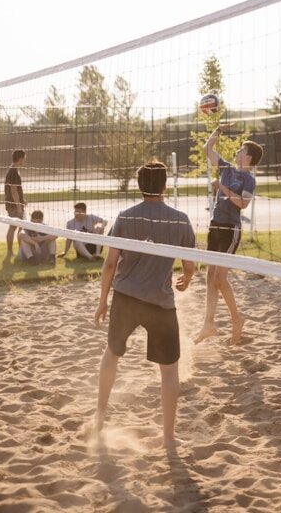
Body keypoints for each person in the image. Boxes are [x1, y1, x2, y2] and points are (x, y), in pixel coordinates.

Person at [93, 160, 195, 449]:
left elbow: (110, 265)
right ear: (164, 185)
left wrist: (103, 302)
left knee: (111, 355)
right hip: (159, 302)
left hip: (126, 297)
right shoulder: (179, 220)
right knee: (169, 370)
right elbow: (189, 265)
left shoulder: (125, 217)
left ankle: (99, 420)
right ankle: (168, 437)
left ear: (139, 186)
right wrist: (187, 279)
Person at [193, 124, 263, 346]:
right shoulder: (226, 168)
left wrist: (221, 188)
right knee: (210, 276)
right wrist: (217, 130)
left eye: (241, 150)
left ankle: (237, 319)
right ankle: (208, 323)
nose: (237, 152)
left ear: (249, 158)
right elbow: (207, 148)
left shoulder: (248, 179)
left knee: (219, 278)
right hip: (215, 225)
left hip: (231, 229)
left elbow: (242, 204)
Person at [4, 149, 27, 258]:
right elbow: (13, 191)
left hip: (15, 204)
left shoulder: (14, 170)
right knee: (15, 228)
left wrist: (23, 201)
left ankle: (17, 251)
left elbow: (17, 190)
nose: (24, 161)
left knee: (17, 227)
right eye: (24, 159)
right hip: (14, 206)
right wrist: (19, 207)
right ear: (20, 158)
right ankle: (13, 251)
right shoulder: (13, 171)